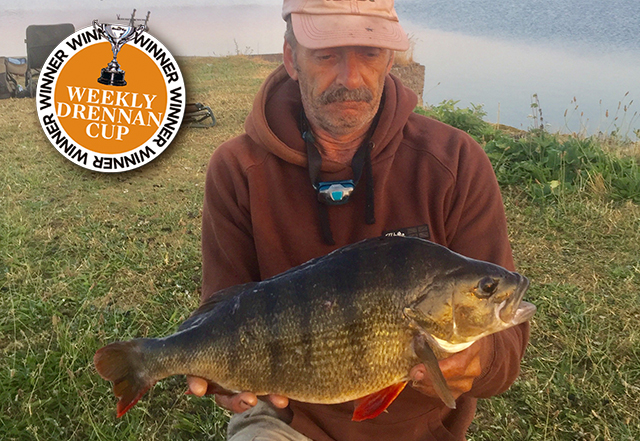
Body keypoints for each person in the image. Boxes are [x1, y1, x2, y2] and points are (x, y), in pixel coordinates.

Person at [188, 0, 530, 440]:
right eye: (326, 54)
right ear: (291, 58)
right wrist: (219, 375)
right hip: (287, 417)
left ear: (390, 58)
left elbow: (505, 356)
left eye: (369, 53)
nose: (351, 79)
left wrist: (481, 360)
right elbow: (222, 311)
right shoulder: (237, 168)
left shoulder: (455, 162)